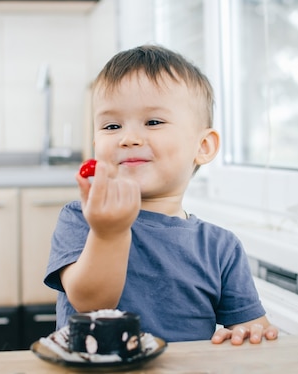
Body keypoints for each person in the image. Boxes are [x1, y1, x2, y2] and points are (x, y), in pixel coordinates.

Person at [44, 45, 278, 345]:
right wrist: (108, 233)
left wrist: (250, 332)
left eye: (153, 122)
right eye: (111, 126)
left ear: (203, 146)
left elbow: (253, 328)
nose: (128, 138)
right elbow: (90, 305)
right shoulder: (82, 219)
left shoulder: (221, 247)